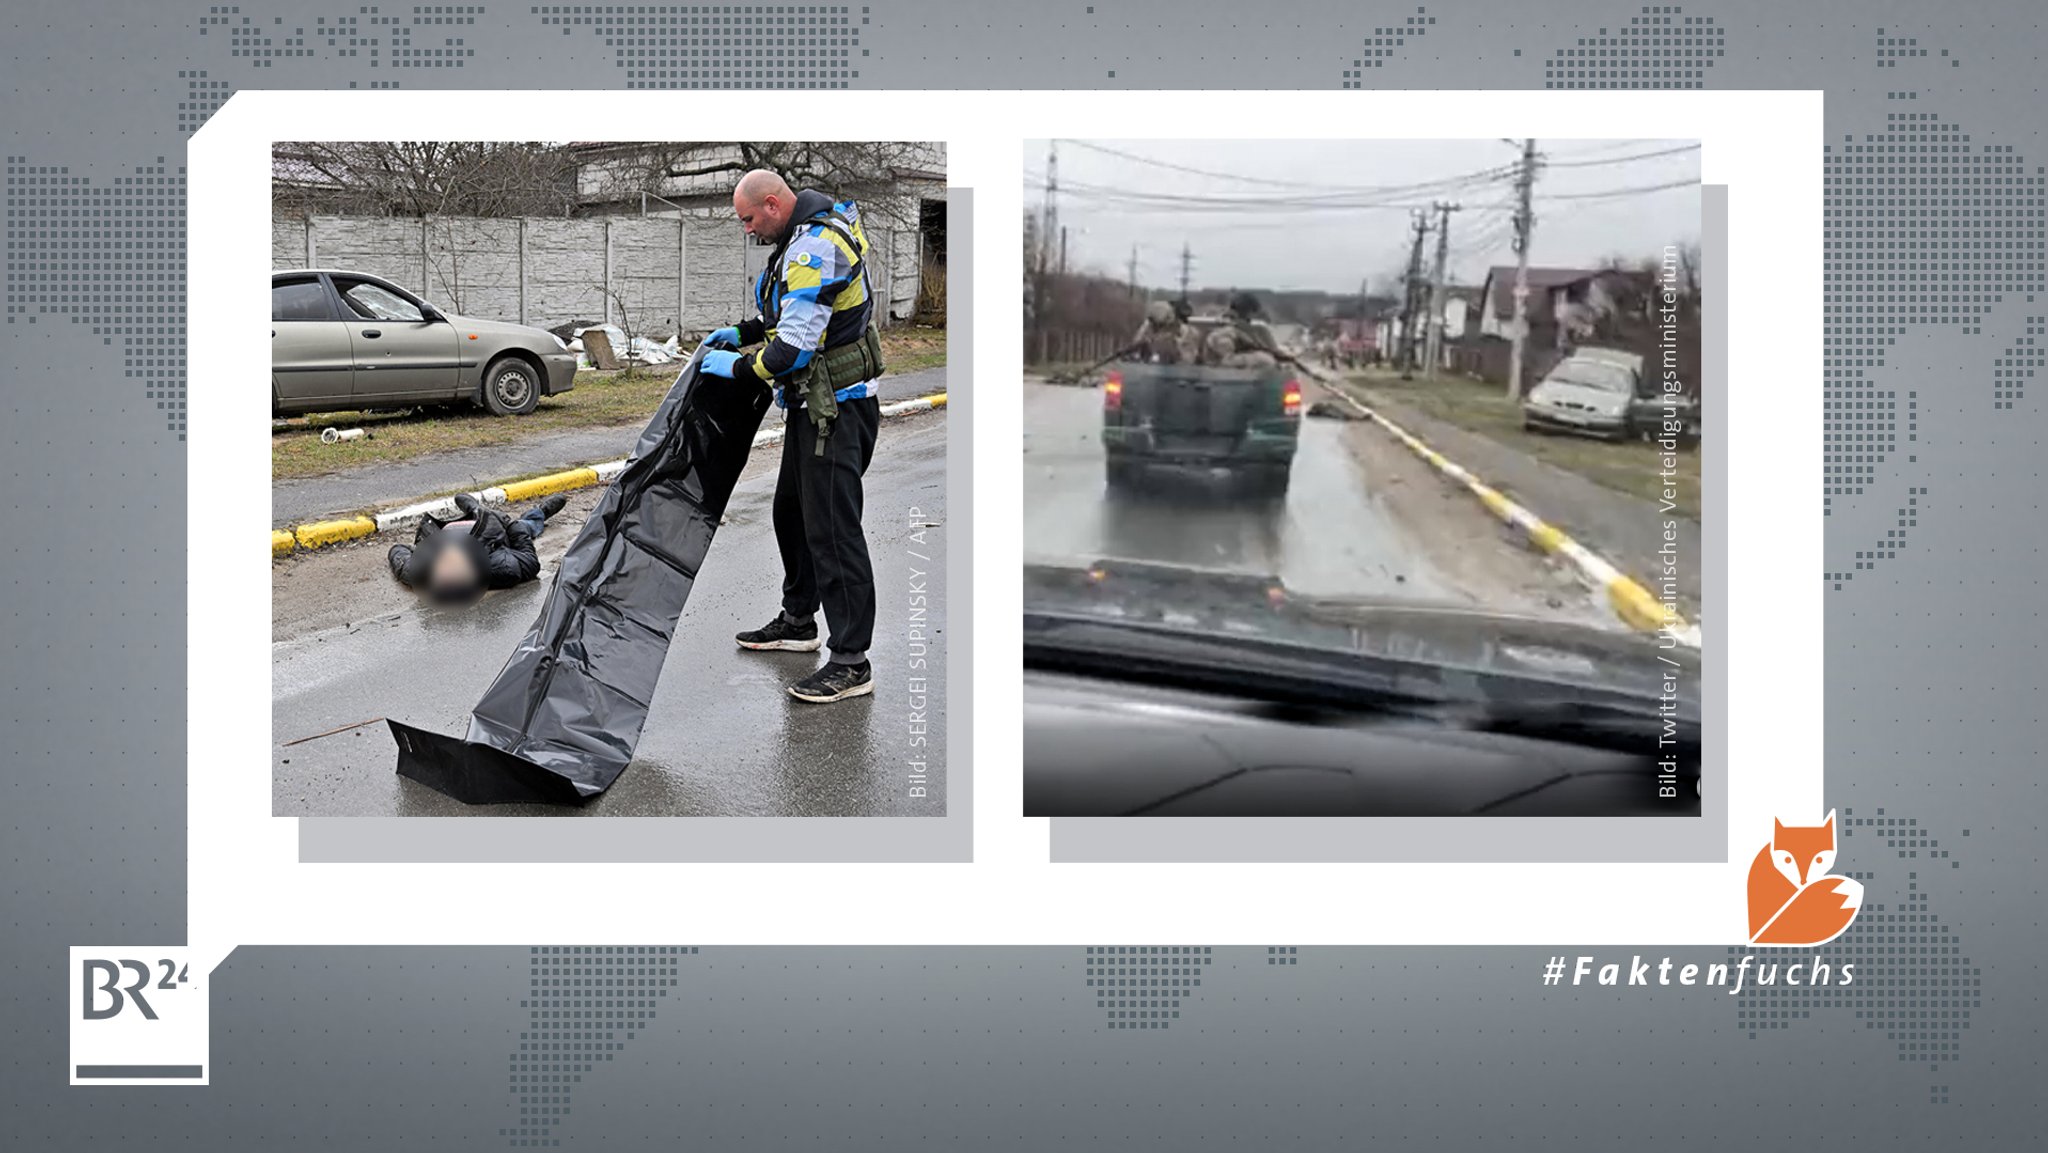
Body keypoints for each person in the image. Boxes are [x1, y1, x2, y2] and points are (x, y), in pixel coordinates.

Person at [696, 169, 885, 704]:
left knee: (832, 531)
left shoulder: (815, 247)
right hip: (813, 407)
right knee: (792, 513)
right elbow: (790, 319)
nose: (748, 230)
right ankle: (800, 621)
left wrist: (733, 368)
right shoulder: (799, 241)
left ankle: (851, 661)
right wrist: (743, 332)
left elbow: (792, 352)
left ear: (775, 205)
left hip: (837, 413)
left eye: (750, 219)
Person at [387, 492, 567, 604]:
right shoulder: (504, 566)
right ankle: (539, 514)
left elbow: (397, 550)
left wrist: (418, 550)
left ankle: (476, 509)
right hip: (497, 533)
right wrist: (508, 523)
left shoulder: (419, 571)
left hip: (461, 525)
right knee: (525, 525)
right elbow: (529, 558)